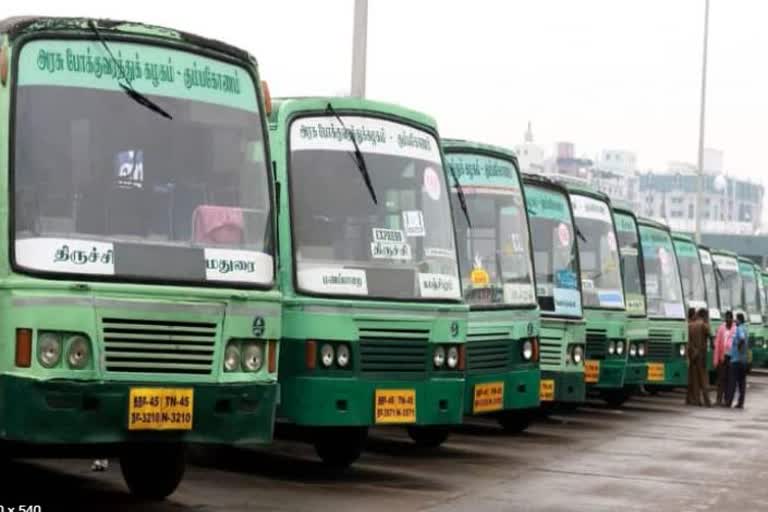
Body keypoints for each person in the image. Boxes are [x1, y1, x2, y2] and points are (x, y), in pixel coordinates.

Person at [686, 308, 712, 406]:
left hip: (693, 355)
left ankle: (696, 400)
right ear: (704, 316)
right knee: (704, 378)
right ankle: (707, 401)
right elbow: (710, 335)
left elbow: (688, 341)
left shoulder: (690, 325)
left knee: (694, 379)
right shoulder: (703, 325)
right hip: (702, 355)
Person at [726, 313, 748, 408]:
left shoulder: (739, 329)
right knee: (742, 383)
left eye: (736, 320)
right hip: (743, 360)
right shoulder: (746, 329)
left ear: (739, 320)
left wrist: (739, 346)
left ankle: (729, 402)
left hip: (736, 360)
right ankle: (740, 402)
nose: (735, 321)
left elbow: (742, 338)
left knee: (732, 382)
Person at [713, 311, 735, 406]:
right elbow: (717, 344)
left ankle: (727, 400)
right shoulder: (721, 328)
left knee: (729, 379)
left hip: (731, 357)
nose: (727, 320)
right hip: (723, 357)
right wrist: (716, 359)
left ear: (732, 319)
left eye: (728, 318)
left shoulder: (735, 329)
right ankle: (718, 400)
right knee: (721, 379)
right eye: (726, 318)